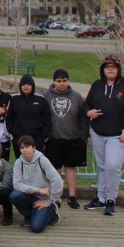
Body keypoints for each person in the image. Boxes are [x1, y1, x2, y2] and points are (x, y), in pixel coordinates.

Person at [83, 54, 124, 215]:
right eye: (107, 67)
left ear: (118, 69)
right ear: (103, 69)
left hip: (119, 135)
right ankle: (101, 198)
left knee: (112, 166)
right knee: (103, 167)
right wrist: (88, 112)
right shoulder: (97, 85)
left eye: (113, 67)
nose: (110, 69)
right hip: (98, 133)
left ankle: (111, 199)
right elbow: (87, 104)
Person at [41, 68, 88, 209]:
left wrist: (84, 135)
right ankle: (56, 196)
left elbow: (83, 117)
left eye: (64, 81)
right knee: (55, 170)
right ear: (54, 82)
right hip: (53, 138)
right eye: (58, 81)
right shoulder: (45, 96)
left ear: (68, 81)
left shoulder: (77, 97)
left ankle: (72, 196)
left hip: (73, 138)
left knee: (70, 168)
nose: (62, 84)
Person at [9, 135, 63, 233]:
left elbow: (58, 182)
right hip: (29, 196)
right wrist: (38, 190)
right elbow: (17, 185)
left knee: (36, 227)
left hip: (44, 198)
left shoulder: (42, 160)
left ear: (33, 147)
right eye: (22, 147)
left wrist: (50, 201)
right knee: (14, 195)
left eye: (27, 146)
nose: (25, 150)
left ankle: (52, 211)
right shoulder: (18, 163)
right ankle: (29, 215)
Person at [5, 75, 52, 155]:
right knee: (21, 164)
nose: (26, 86)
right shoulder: (14, 99)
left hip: (37, 140)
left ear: (32, 86)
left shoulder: (41, 99)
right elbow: (8, 118)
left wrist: (43, 138)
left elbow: (47, 120)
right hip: (19, 140)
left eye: (28, 84)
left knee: (36, 164)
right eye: (23, 84)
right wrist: (13, 136)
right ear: (20, 86)